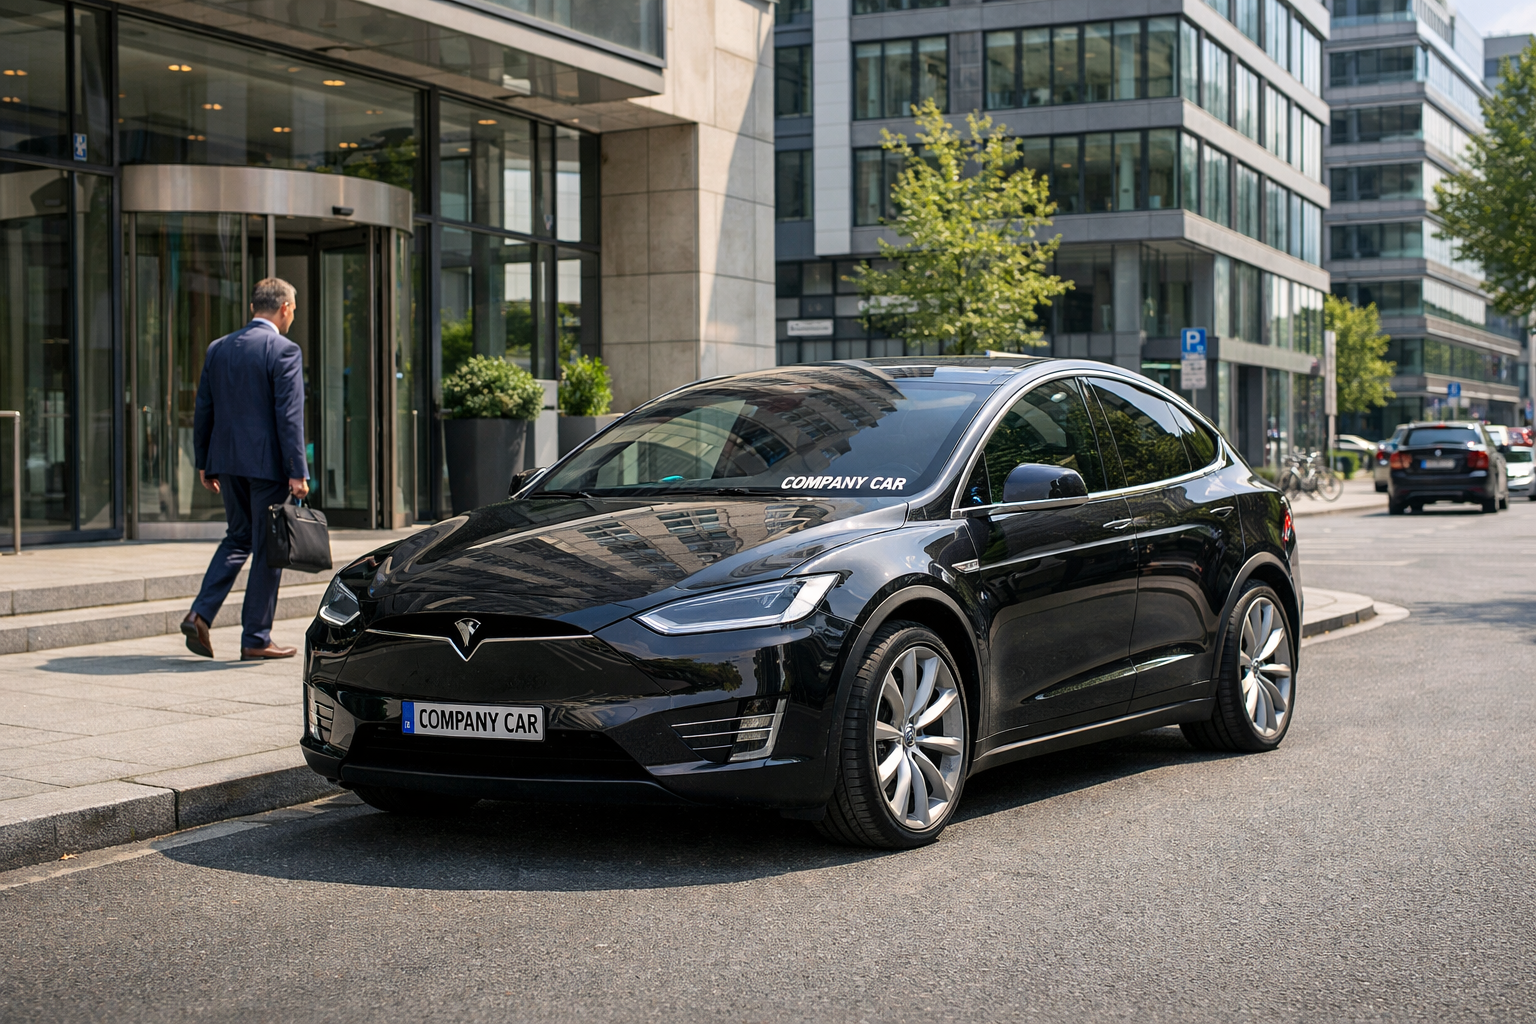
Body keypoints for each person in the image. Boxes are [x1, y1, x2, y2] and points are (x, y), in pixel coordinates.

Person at [180, 278, 311, 661]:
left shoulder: (218, 348)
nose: (292, 316)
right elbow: (289, 416)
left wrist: (204, 462)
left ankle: (199, 614)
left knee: (238, 538)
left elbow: (203, 409)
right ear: (284, 308)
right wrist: (297, 470)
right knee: (269, 548)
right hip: (268, 467)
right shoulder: (284, 350)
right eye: (293, 310)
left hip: (227, 462)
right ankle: (255, 637)